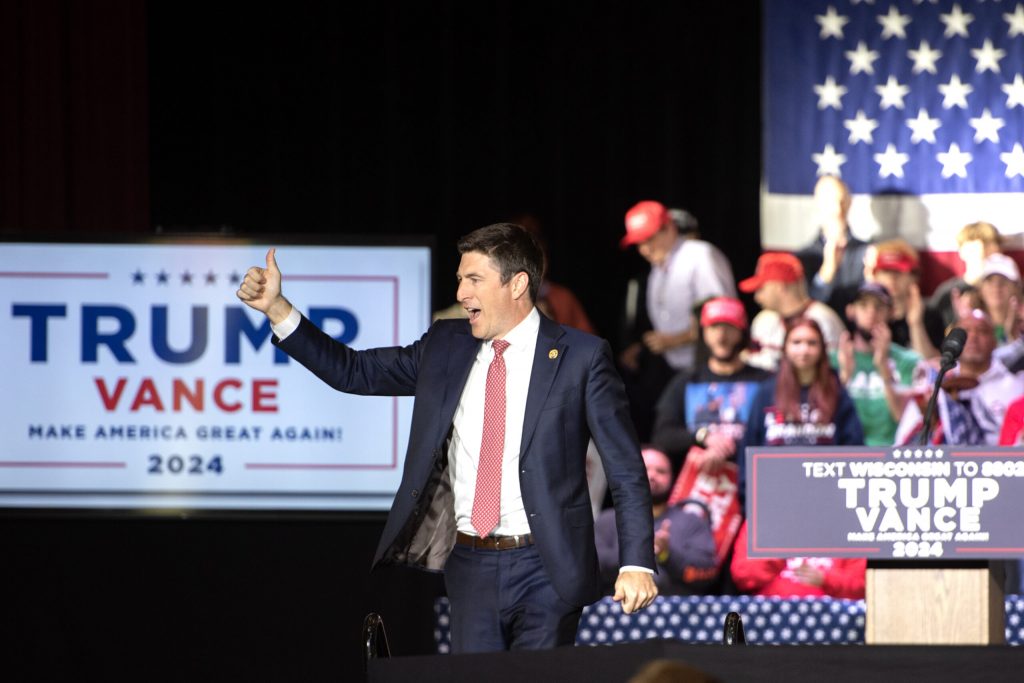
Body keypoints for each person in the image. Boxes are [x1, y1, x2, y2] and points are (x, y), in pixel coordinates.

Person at [235, 223, 657, 653]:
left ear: (518, 284)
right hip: (471, 564)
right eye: (460, 280)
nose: (461, 294)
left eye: (474, 280)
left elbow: (625, 470)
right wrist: (277, 309)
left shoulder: (581, 357)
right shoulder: (445, 346)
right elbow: (353, 371)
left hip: (548, 564)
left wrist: (637, 562)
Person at [618, 200, 736, 439]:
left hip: (707, 367)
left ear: (669, 228)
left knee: (705, 437)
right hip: (673, 369)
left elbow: (722, 314)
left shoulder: (699, 256)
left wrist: (676, 340)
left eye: (649, 239)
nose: (644, 248)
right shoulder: (657, 268)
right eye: (639, 243)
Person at [740, 317, 864, 505]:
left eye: (811, 343)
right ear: (785, 348)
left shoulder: (837, 393)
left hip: (827, 498)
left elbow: (854, 448)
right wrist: (748, 496)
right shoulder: (766, 393)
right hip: (774, 497)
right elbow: (749, 446)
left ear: (822, 348)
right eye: (796, 342)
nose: (804, 350)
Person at [652, 297, 770, 471]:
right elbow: (662, 435)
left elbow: (778, 435)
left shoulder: (765, 381)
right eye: (714, 327)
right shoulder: (686, 381)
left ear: (742, 332)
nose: (721, 336)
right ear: (703, 332)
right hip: (697, 487)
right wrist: (703, 436)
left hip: (753, 479)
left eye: (729, 327)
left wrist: (730, 446)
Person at [595, 447, 717, 596]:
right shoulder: (607, 520)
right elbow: (591, 566)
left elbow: (707, 573)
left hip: (674, 613)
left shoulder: (691, 521)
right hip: (613, 611)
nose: (652, 475)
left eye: (661, 471)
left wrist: (667, 555)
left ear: (672, 478)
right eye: (645, 469)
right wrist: (641, 554)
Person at [896, 309, 1024, 446]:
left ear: (994, 341)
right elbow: (903, 441)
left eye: (982, 331)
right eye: (965, 331)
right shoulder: (936, 385)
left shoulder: (1017, 382)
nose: (973, 336)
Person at [834, 283, 927, 446]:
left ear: (891, 312)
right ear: (851, 311)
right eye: (863, 306)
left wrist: (883, 367)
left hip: (892, 453)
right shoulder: (834, 358)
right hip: (845, 452)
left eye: (879, 307)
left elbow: (903, 417)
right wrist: (845, 376)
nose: (871, 313)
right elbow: (825, 420)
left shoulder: (909, 361)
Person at [740, 252, 845, 371]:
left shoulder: (824, 319)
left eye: (761, 289)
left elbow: (836, 371)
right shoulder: (763, 321)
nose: (757, 297)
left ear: (780, 287)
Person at [730, 521, 866, 599]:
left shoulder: (850, 525)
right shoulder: (762, 520)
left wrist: (826, 580)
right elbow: (743, 576)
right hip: (769, 622)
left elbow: (864, 587)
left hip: (832, 627)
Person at [795, 175, 870, 315]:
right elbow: (804, 310)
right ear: (818, 206)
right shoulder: (803, 258)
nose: (837, 210)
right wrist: (827, 271)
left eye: (842, 201)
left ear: (849, 202)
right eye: (830, 202)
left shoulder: (868, 252)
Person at [865, 239, 944, 360]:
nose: (892, 278)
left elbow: (930, 367)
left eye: (899, 271)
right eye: (886, 271)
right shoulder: (865, 312)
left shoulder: (929, 314)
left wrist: (916, 324)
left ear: (914, 277)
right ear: (875, 276)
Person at [928, 221, 1004, 329]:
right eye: (974, 241)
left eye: (989, 242)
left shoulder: (1013, 290)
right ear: (961, 251)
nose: (982, 248)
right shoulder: (946, 293)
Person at [977, 253, 1022, 346]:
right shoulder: (970, 329)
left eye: (1003, 280)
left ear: (1017, 288)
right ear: (980, 289)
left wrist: (1013, 337)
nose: (996, 286)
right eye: (989, 280)